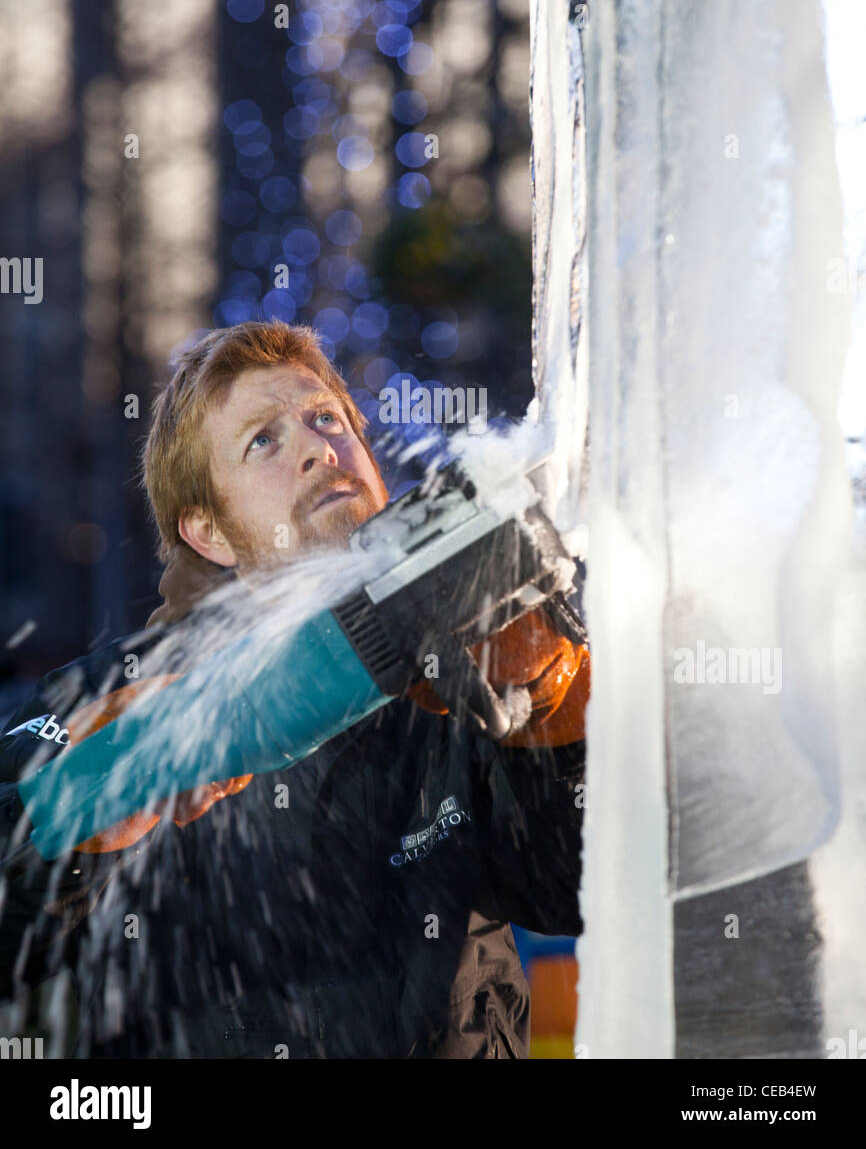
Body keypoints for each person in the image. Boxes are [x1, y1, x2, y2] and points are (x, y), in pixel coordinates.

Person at [0, 320, 590, 1059]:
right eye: (263, 441)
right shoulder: (105, 698)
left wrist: (555, 705)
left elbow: (574, 891)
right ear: (209, 533)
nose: (320, 448)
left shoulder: (458, 677)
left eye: (328, 420)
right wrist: (77, 817)